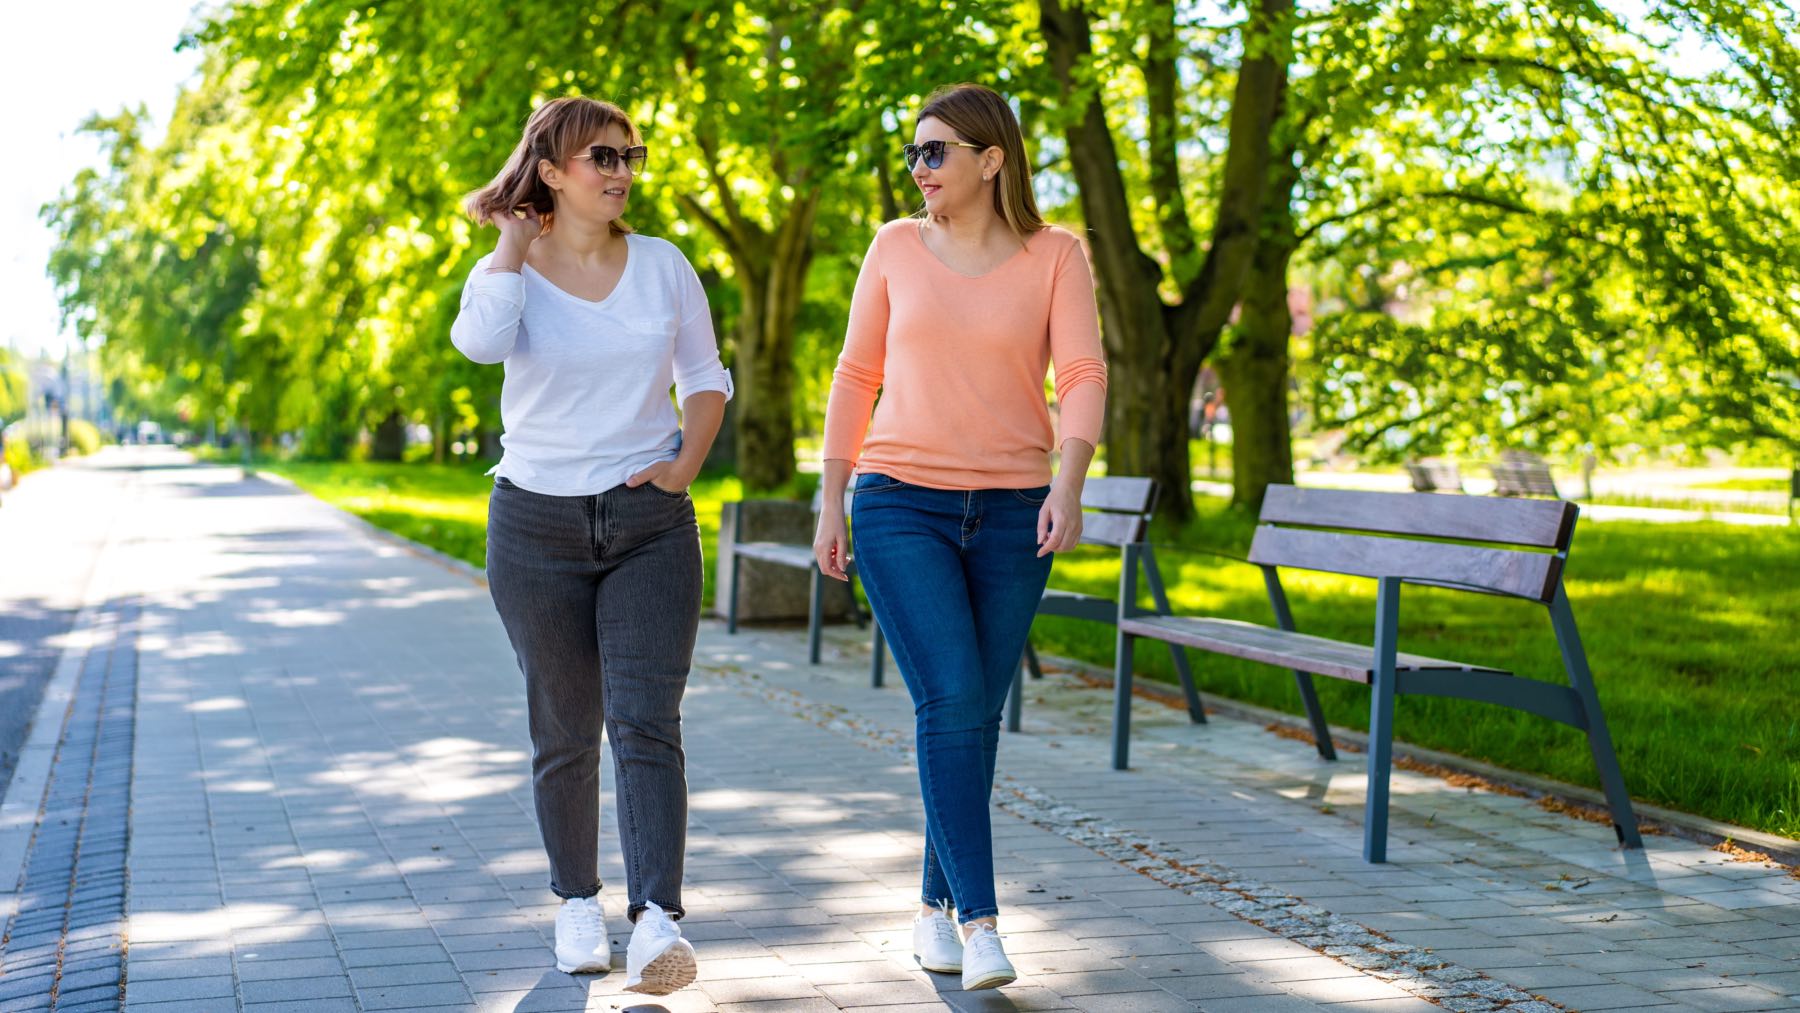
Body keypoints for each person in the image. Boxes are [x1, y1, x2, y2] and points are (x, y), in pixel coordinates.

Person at [813, 83, 1107, 991]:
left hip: (1016, 513)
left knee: (975, 711)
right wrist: (832, 500)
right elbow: (856, 374)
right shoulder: (896, 247)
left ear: (993, 159)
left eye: (936, 152)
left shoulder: (1057, 254)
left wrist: (1070, 480)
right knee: (950, 697)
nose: (920, 169)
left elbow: (1083, 372)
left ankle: (932, 907)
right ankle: (982, 922)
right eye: (913, 154)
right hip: (902, 502)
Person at [450, 96, 730, 996]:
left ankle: (657, 920)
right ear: (554, 170)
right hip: (535, 526)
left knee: (647, 720)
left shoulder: (662, 266)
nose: (620, 171)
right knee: (565, 726)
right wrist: (508, 243)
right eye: (601, 156)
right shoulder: (512, 271)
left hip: (649, 523)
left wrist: (685, 464)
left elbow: (705, 378)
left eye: (630, 156)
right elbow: (478, 344)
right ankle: (577, 899)